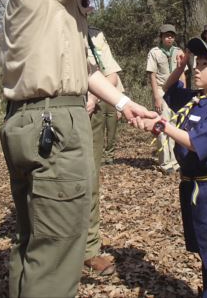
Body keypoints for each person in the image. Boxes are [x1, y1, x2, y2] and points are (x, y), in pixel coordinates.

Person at [0, 0, 154, 298]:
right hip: (53, 124)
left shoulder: (55, 1)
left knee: (35, 245)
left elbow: (82, 69)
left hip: (35, 119)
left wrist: (122, 103)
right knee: (57, 258)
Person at [136, 38, 207, 298]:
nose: (196, 67)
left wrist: (163, 126)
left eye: (204, 64)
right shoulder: (197, 98)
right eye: (197, 62)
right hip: (192, 186)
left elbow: (195, 143)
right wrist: (180, 67)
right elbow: (166, 90)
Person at [85, 22, 123, 276]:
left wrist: (94, 97)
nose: (87, 0)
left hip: (93, 109)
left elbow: (109, 71)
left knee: (90, 179)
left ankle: (88, 250)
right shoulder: (53, 25)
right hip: (58, 112)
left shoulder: (95, 35)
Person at [146, 24, 186, 174]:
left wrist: (184, 93)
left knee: (175, 126)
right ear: (161, 37)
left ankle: (175, 161)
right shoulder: (154, 52)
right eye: (166, 35)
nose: (169, 38)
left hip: (176, 92)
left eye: (172, 35)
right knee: (162, 126)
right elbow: (152, 75)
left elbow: (182, 73)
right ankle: (165, 162)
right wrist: (157, 96)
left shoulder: (179, 52)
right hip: (162, 91)